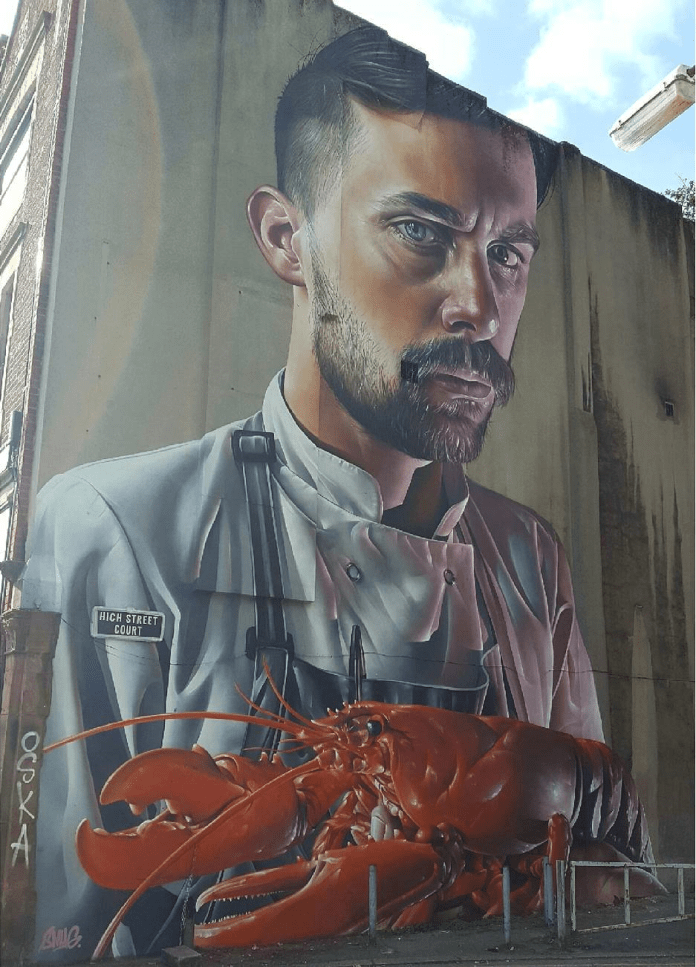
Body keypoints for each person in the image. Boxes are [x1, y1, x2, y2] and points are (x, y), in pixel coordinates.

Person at [22, 26, 615, 962]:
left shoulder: (532, 559)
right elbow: (70, 923)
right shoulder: (114, 528)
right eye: (423, 232)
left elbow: (594, 885)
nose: (481, 306)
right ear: (285, 238)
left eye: (508, 253)